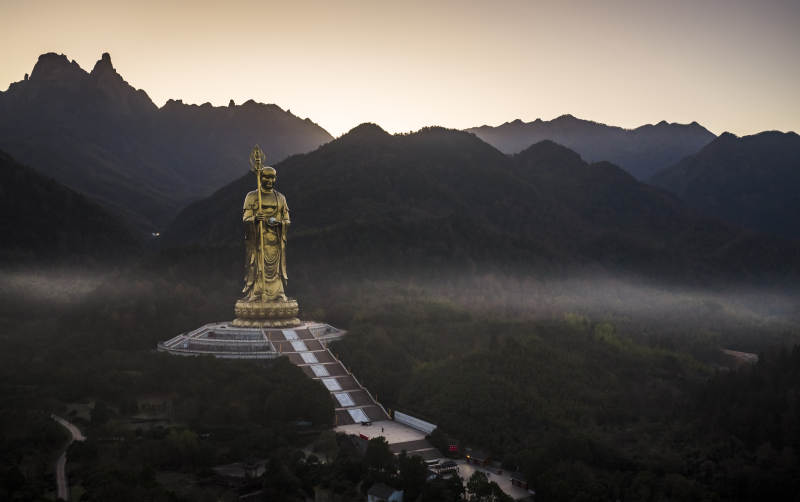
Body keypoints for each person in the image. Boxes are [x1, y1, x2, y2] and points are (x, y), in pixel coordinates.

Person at [241, 167, 290, 301]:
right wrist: (255, 219)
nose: (270, 180)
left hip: (275, 242)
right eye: (266, 177)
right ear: (260, 177)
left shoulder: (280, 198)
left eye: (272, 177)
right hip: (259, 242)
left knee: (276, 271)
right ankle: (257, 293)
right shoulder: (252, 197)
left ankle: (277, 293)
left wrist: (280, 223)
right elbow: (246, 218)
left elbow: (287, 220)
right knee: (259, 268)